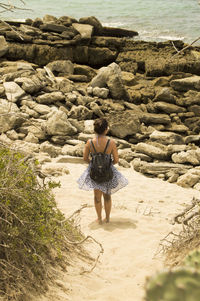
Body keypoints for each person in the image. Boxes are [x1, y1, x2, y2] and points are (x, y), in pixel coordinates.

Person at [77, 118, 128, 224]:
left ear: (95, 130)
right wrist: (108, 164)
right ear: (106, 129)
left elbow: (85, 158)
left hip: (95, 172)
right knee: (107, 196)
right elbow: (116, 160)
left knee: (97, 197)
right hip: (107, 172)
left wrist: (94, 164)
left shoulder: (90, 142)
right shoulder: (111, 143)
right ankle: (107, 218)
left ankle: (99, 218)